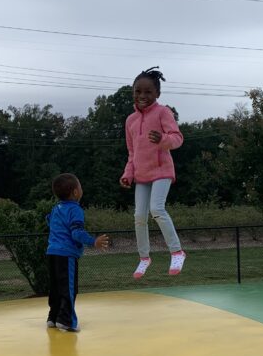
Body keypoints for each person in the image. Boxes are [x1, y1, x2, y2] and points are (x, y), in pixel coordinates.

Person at [119, 66, 186, 279]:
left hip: (162, 170)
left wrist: (163, 140)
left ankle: (177, 252)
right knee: (139, 215)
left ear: (157, 93)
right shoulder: (130, 120)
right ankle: (144, 258)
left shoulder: (163, 112)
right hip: (141, 175)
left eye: (148, 92)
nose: (142, 96)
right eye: (138, 91)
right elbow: (132, 152)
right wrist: (128, 173)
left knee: (156, 209)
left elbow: (177, 138)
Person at [46, 173, 109, 332]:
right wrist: (93, 241)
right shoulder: (75, 210)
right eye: (80, 186)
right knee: (69, 288)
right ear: (75, 192)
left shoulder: (56, 208)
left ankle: (53, 318)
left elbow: (49, 220)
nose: (82, 189)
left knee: (56, 287)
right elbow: (76, 233)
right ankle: (66, 320)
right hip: (66, 255)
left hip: (52, 253)